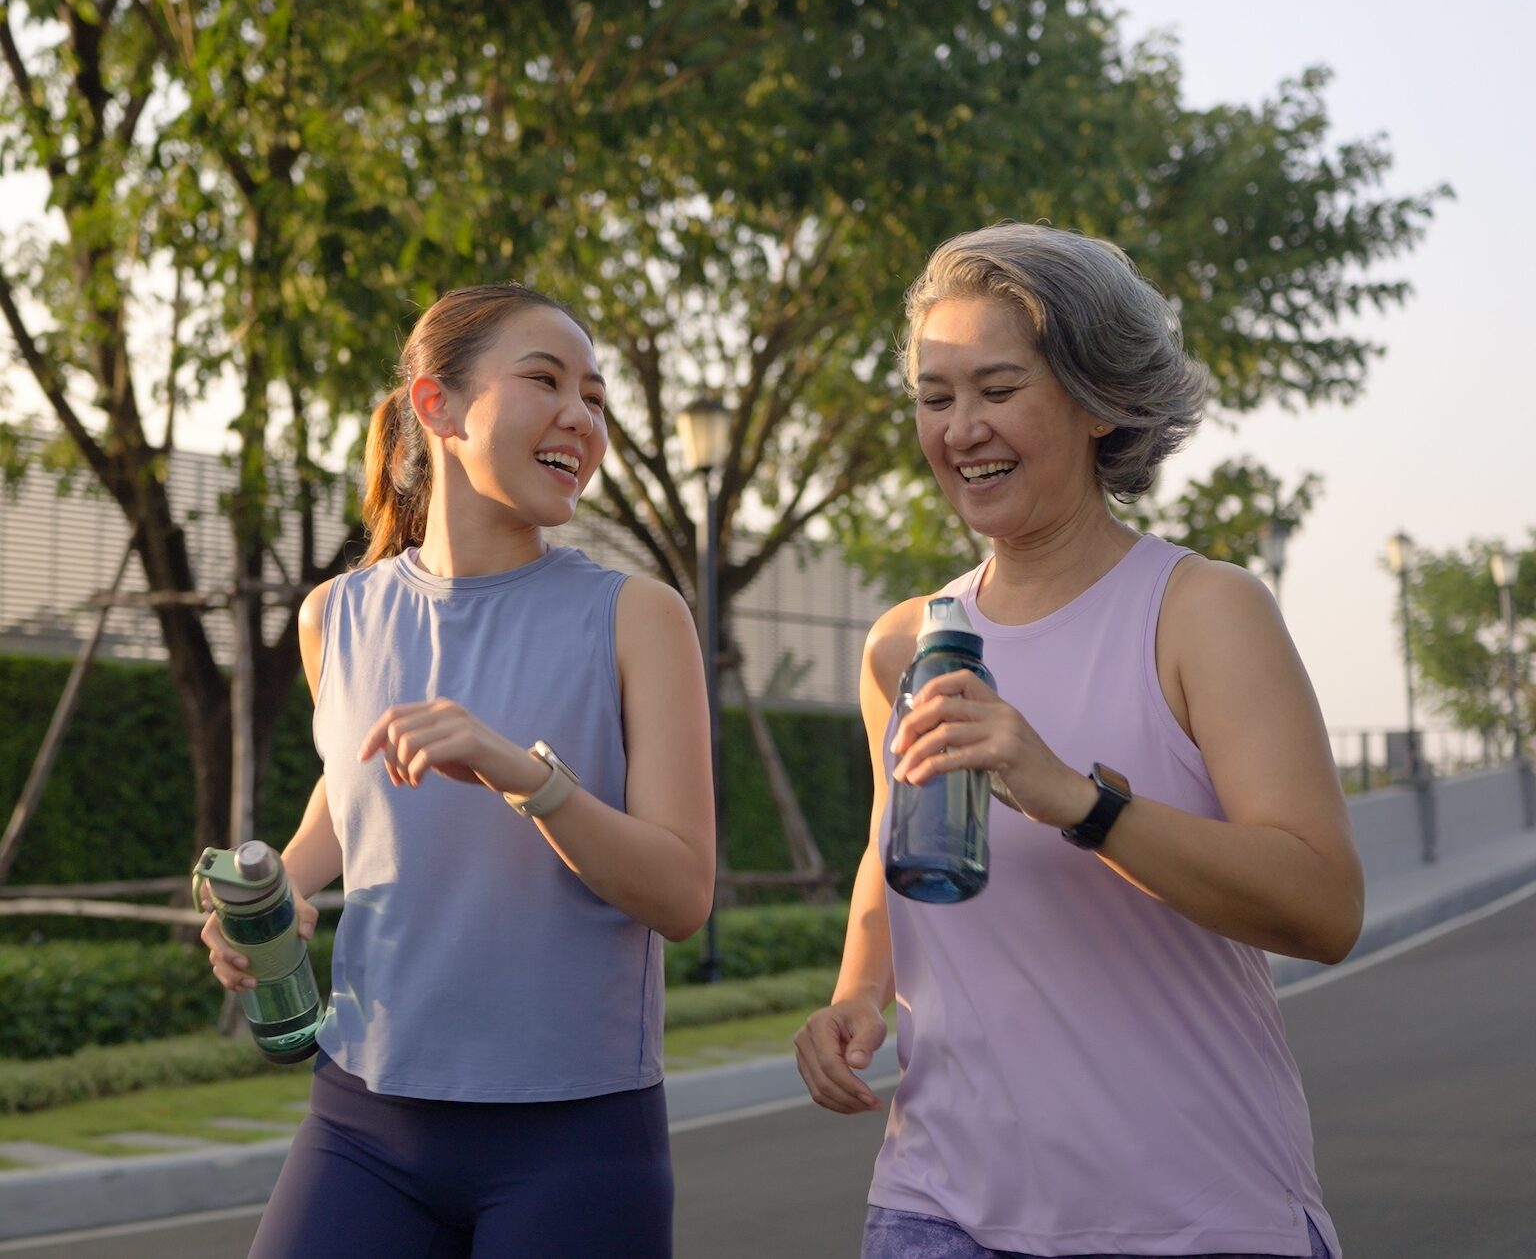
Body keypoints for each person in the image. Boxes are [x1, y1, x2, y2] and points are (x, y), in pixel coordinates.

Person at [793, 224, 1362, 1259]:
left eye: (998, 388)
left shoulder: (1204, 612)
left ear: (1099, 400)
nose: (962, 428)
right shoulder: (902, 648)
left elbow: (1323, 904)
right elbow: (892, 871)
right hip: (938, 1212)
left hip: (1196, 1215)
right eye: (936, 396)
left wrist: (1078, 799)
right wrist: (851, 998)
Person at [202, 283, 715, 1259]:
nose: (583, 415)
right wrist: (282, 890)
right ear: (437, 407)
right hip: (362, 1122)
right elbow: (353, 795)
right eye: (547, 380)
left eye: (596, 397)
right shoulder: (335, 616)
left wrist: (520, 773)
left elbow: (683, 893)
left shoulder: (638, 616)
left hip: (576, 1137)